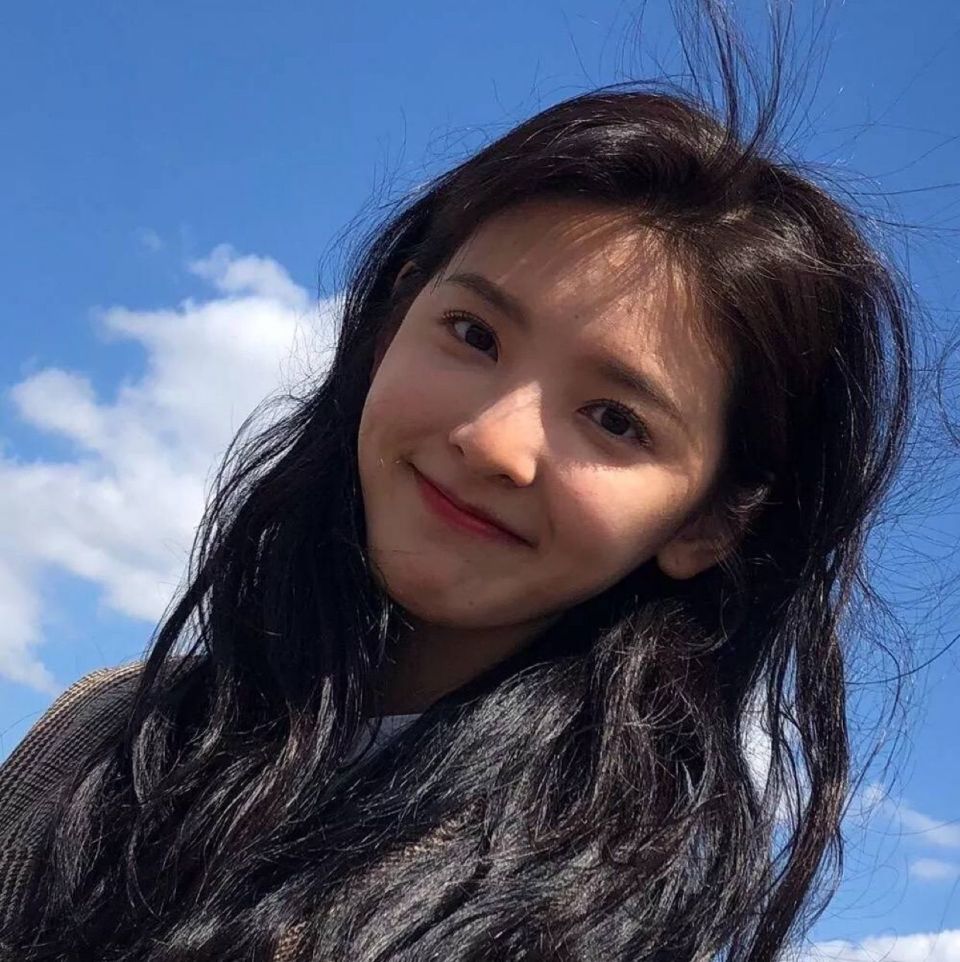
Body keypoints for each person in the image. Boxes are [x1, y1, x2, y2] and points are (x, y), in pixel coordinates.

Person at [0, 4, 915, 961]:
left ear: (709, 526)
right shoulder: (100, 730)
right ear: (391, 320)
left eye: (615, 419)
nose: (492, 442)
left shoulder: (576, 917)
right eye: (474, 334)